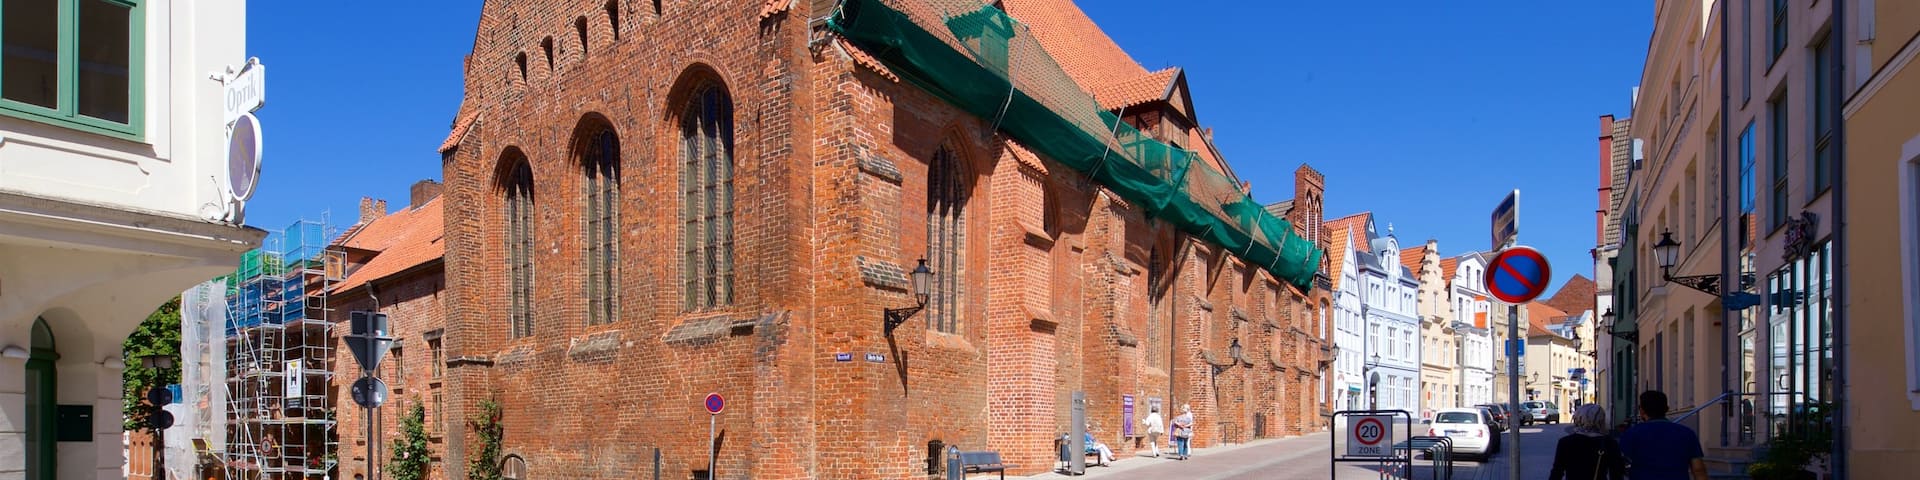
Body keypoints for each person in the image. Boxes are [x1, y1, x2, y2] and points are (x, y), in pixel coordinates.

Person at [1618, 390, 1708, 480]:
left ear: (1642, 411)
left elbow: (1620, 464)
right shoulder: (1687, 434)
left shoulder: (1631, 434)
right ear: (1667, 409)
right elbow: (1698, 470)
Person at [1549, 403, 1626, 480]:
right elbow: (1616, 474)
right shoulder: (1610, 443)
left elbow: (1557, 472)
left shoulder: (1565, 443)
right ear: (1601, 419)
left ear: (1579, 418)